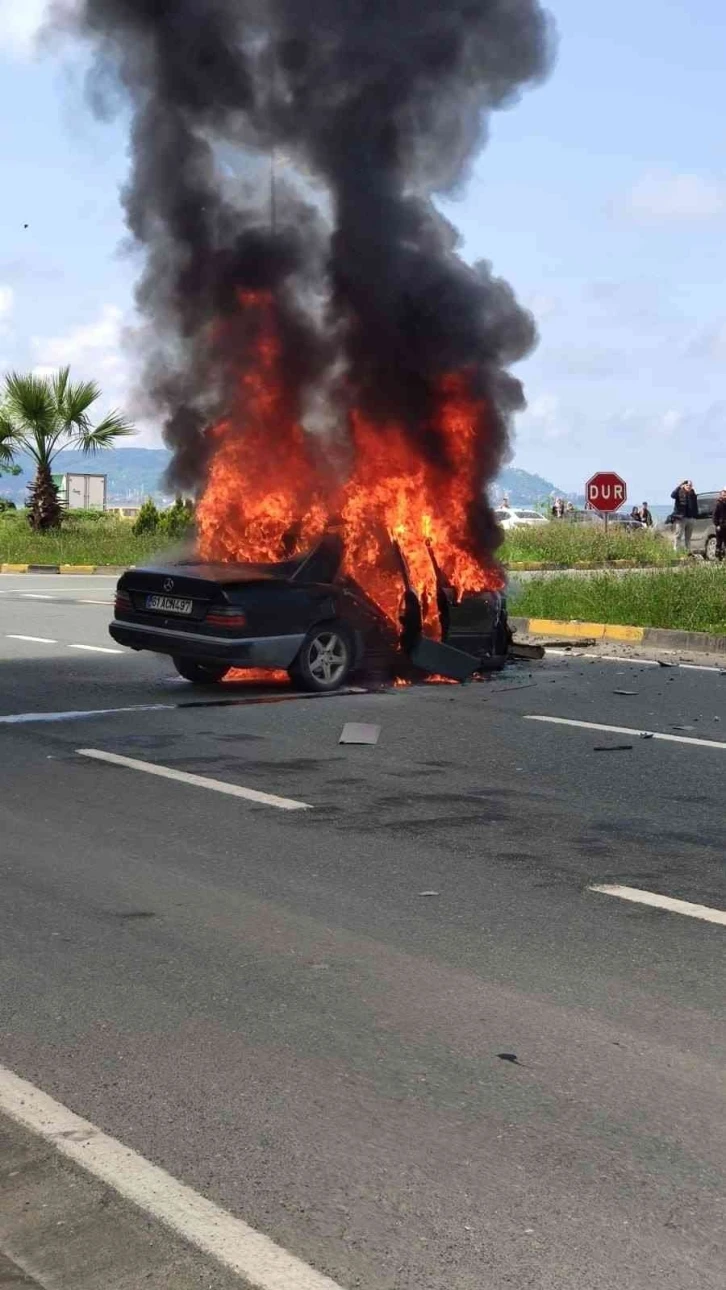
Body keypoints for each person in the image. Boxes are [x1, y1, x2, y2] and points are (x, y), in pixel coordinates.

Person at [670, 479, 699, 553]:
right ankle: (676, 551)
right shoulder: (679, 492)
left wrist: (695, 516)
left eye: (690, 485)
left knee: (688, 538)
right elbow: (672, 495)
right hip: (681, 518)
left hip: (691, 518)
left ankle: (688, 552)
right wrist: (679, 486)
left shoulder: (693, 494)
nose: (689, 487)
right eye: (687, 485)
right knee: (678, 536)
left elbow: (695, 506)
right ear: (684, 486)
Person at [714, 490, 726, 562]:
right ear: (721, 495)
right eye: (724, 495)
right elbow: (714, 516)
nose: (725, 496)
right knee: (719, 543)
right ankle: (718, 558)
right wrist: (717, 525)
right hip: (720, 526)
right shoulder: (718, 504)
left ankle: (724, 557)